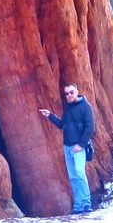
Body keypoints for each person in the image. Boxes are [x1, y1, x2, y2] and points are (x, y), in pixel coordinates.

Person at [39, 83, 95, 213]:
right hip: (67, 147)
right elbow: (62, 124)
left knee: (80, 173)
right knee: (73, 177)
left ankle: (86, 203)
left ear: (77, 92)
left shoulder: (85, 106)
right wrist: (50, 115)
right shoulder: (68, 108)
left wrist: (80, 144)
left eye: (71, 92)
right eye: (67, 93)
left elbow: (90, 127)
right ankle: (78, 205)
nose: (69, 95)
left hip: (78, 147)